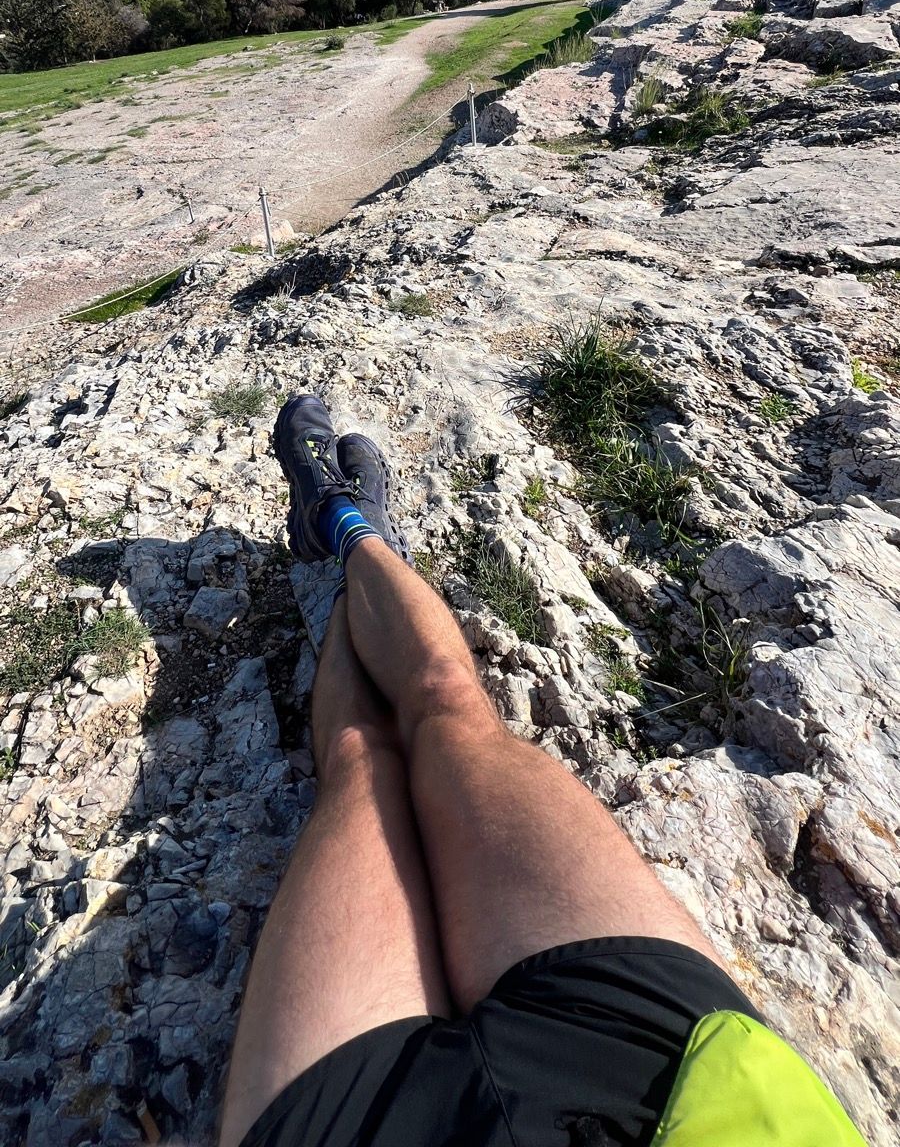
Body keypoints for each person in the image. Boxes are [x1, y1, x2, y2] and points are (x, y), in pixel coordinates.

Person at [220, 395, 867, 1147]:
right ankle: (349, 526)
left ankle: (351, 552)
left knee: (359, 756)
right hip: (681, 1082)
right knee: (449, 703)